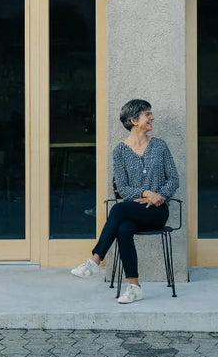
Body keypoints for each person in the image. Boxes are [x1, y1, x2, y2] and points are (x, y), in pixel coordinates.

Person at [69, 98, 179, 304]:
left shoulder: (160, 146)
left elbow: (173, 179)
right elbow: (123, 188)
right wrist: (147, 192)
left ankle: (95, 260)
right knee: (123, 228)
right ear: (134, 120)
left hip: (157, 212)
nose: (152, 117)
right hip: (134, 210)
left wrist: (158, 196)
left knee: (118, 210)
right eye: (147, 114)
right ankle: (134, 286)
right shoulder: (120, 151)